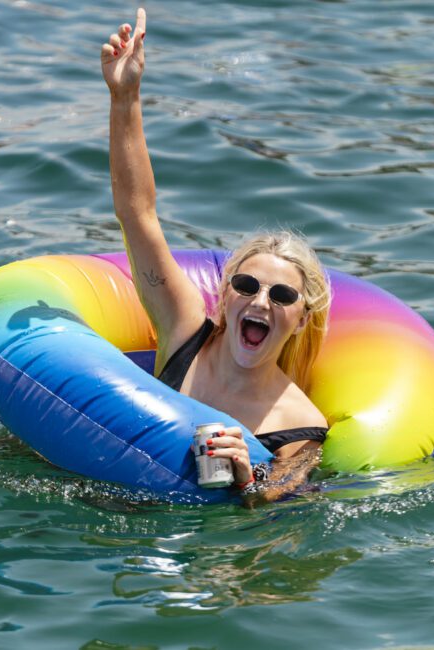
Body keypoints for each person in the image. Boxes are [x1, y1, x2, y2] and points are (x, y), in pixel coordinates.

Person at [101, 9, 330, 499]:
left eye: (282, 294)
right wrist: (125, 97)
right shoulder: (184, 331)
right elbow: (137, 215)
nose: (260, 301)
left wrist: (252, 477)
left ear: (302, 318)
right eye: (247, 286)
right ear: (225, 295)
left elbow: (277, 498)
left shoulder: (300, 423)